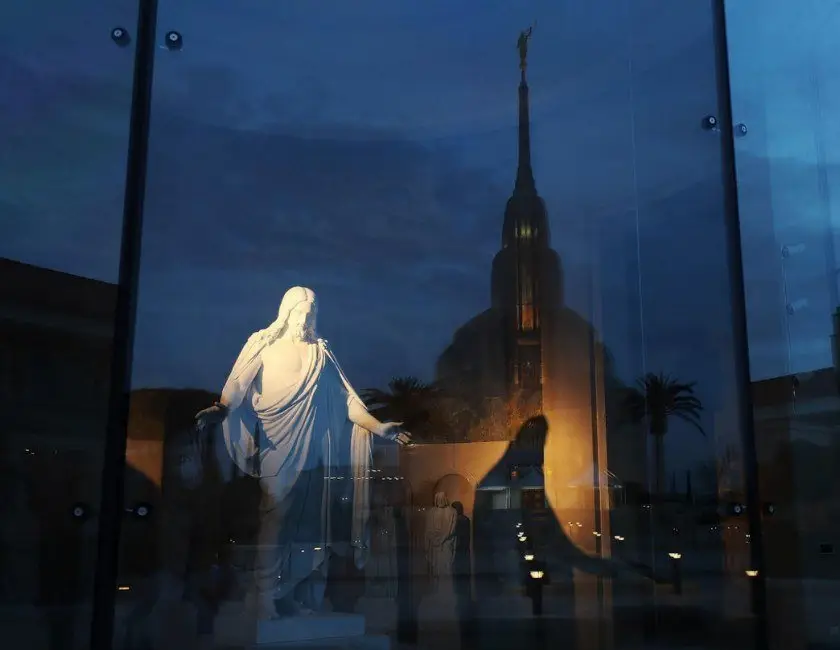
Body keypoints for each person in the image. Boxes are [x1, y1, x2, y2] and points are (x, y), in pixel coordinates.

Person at [195, 286, 410, 619]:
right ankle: (265, 592)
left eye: (312, 312)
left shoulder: (321, 354)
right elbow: (237, 384)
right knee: (278, 515)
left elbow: (349, 401)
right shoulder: (263, 344)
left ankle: (294, 593)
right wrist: (222, 408)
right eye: (301, 311)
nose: (306, 317)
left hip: (316, 451)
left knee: (311, 525)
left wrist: (378, 427)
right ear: (287, 311)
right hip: (278, 445)